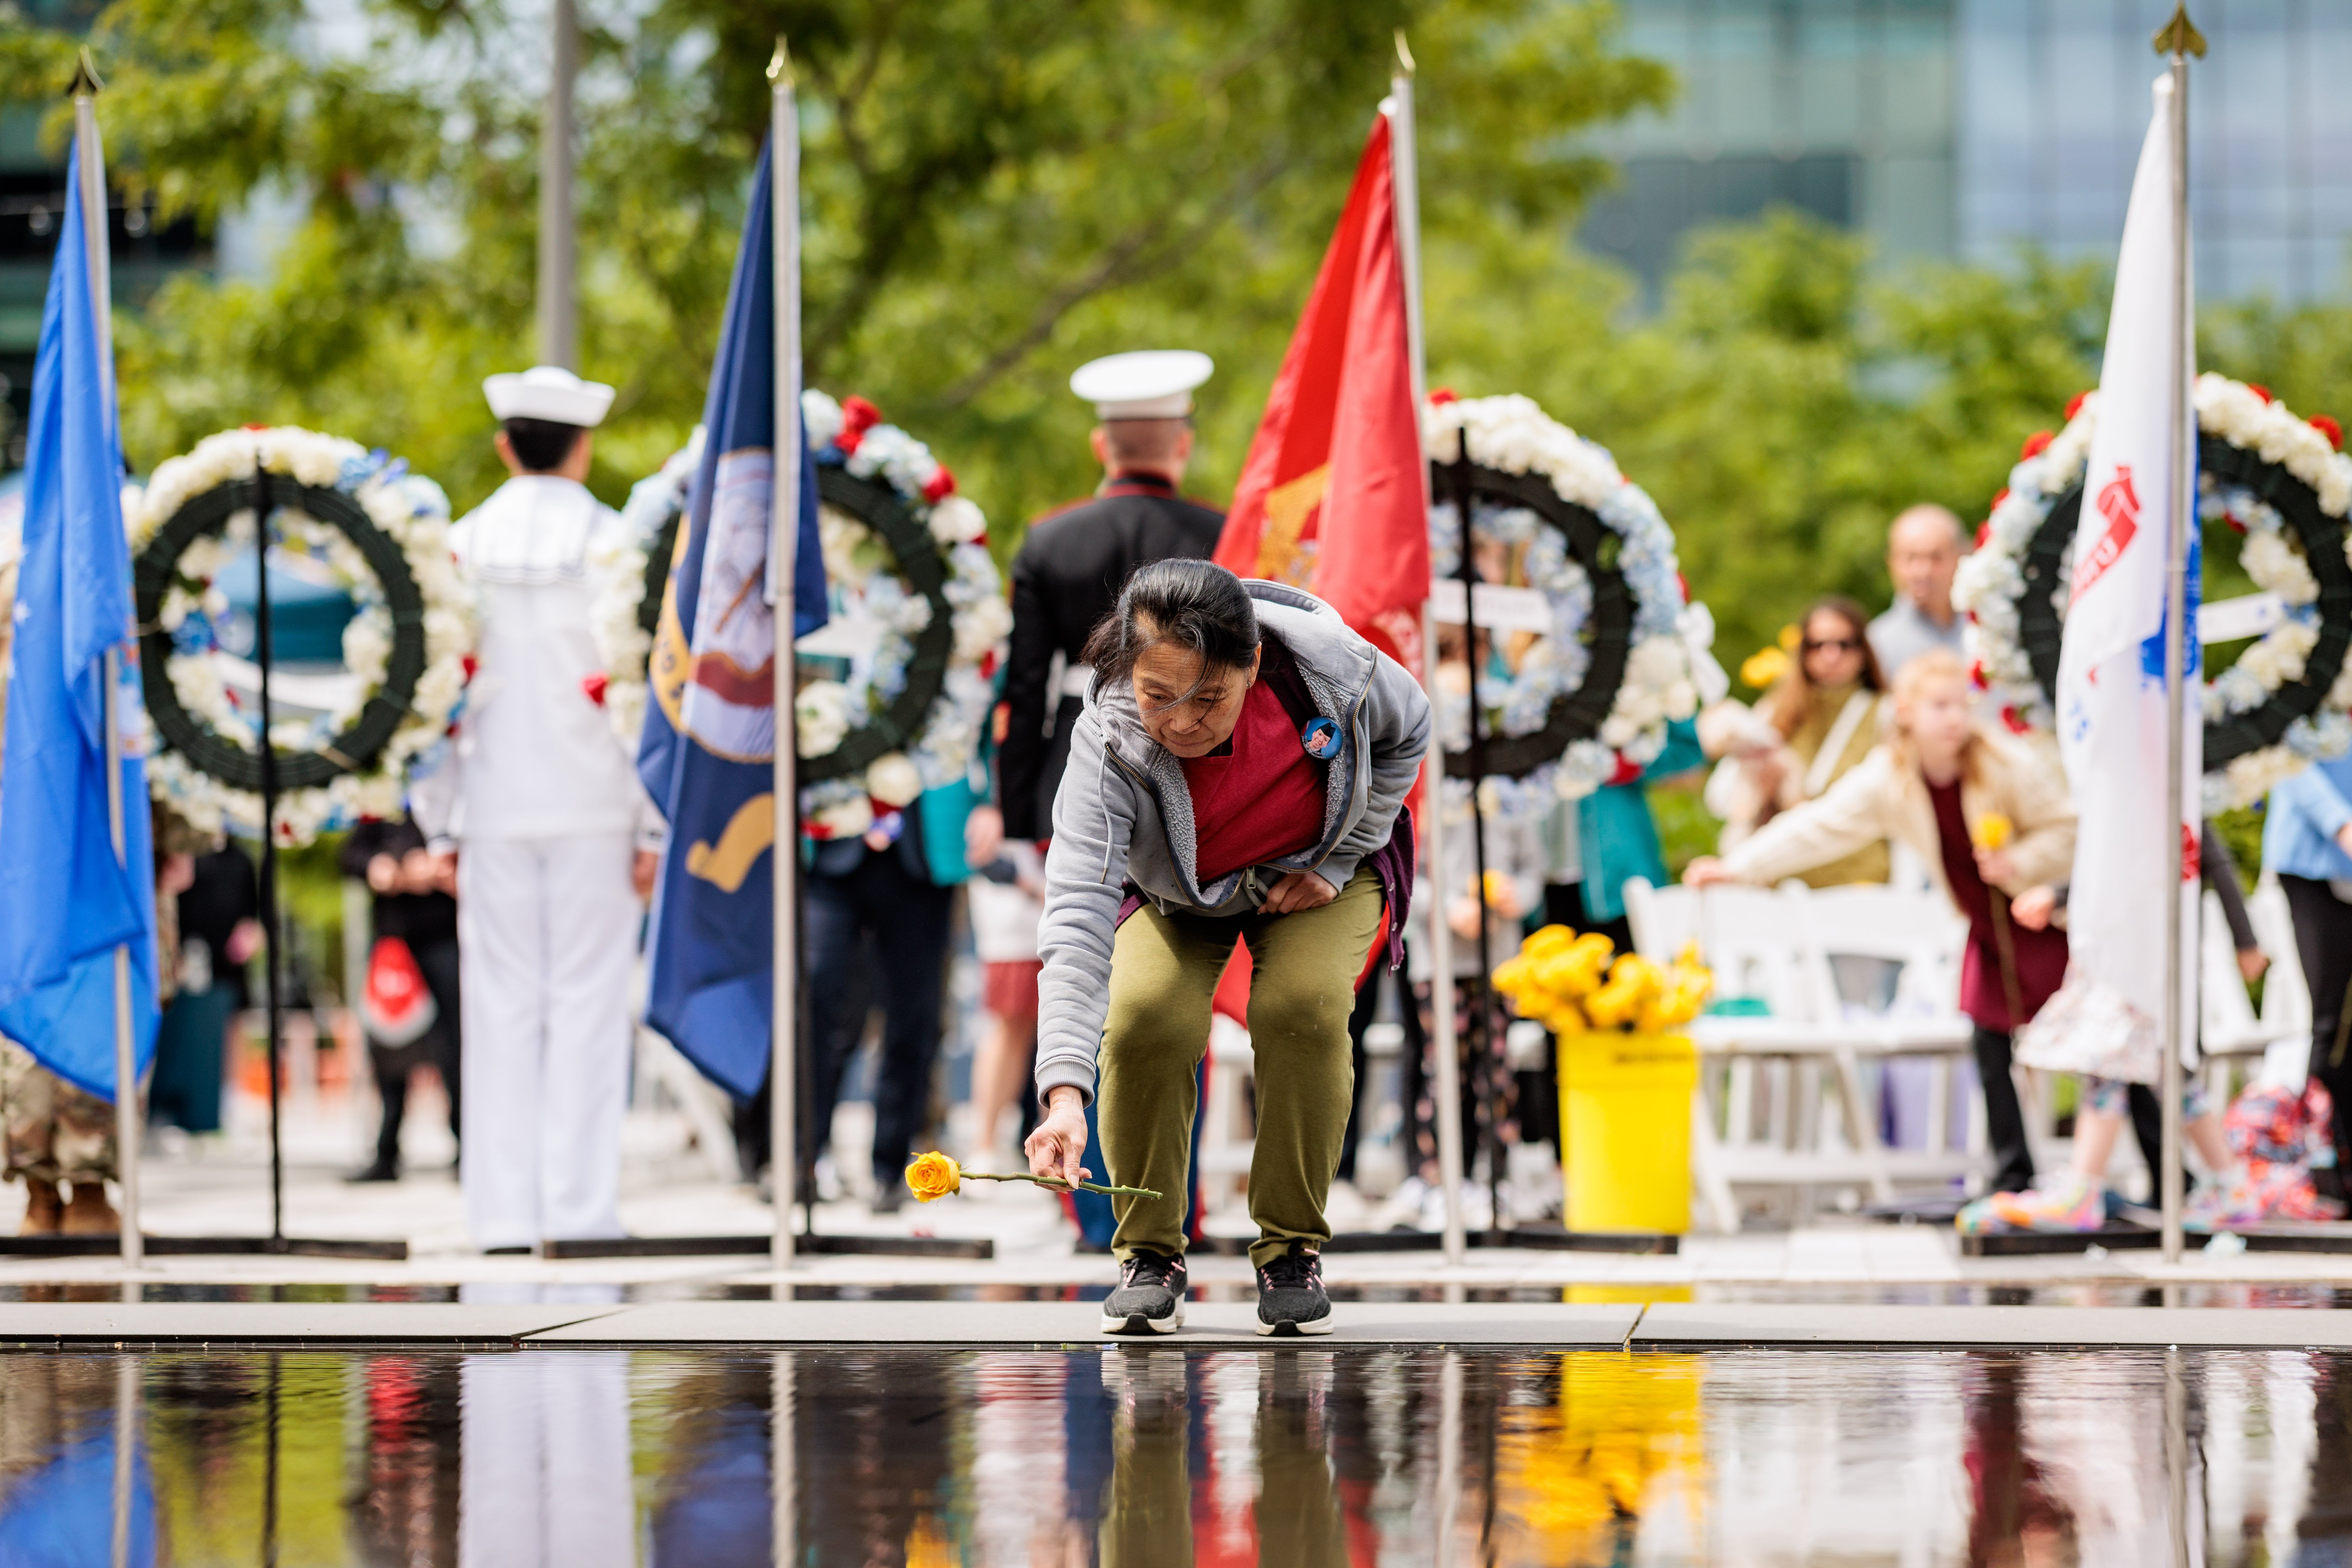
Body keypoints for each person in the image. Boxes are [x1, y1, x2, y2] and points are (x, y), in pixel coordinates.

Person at [1026, 560, 1429, 1335]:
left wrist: (1341, 859)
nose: (1179, 721)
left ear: (1252, 666)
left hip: (1313, 877)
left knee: (1302, 1007)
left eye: (1207, 698)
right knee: (1145, 1016)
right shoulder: (1108, 739)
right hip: (1178, 893)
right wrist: (1065, 1093)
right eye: (1157, 695)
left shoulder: (1336, 672)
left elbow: (1410, 729)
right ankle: (1149, 1253)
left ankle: (1290, 1249)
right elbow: (1077, 909)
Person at [413, 365, 662, 1252]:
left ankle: (503, 1212)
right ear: (583, 445)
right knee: (592, 1007)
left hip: (490, 806)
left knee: (500, 1008)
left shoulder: (458, 544)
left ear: (503, 444)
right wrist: (650, 823)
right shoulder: (616, 545)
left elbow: (432, 693)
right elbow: (642, 696)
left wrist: (439, 819)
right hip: (597, 805)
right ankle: (578, 1209)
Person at [1685, 649, 2073, 1195]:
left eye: (1962, 704)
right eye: (1940, 705)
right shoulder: (1891, 778)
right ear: (1907, 712)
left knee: (2098, 1048)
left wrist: (2020, 863)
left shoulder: (2003, 763)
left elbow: (2068, 829)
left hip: (2049, 921)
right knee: (1988, 1040)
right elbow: (1819, 826)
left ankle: (2159, 1172)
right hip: (1989, 931)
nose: (1956, 717)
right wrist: (1738, 867)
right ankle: (2013, 1174)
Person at [981, 351, 1225, 856]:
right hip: (1196, 765)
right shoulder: (1222, 534)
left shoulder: (1047, 540)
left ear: (1099, 445)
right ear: (1184, 442)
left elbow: (1025, 687)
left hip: (1075, 766)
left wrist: (1019, 808)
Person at [1701, 595, 1890, 886]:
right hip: (1785, 884)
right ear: (1803, 651)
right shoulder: (1776, 710)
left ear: (1863, 651)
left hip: (1859, 882)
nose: (1831, 656)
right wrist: (1763, 792)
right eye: (1818, 645)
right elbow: (1719, 797)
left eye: (1844, 645)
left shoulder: (1886, 714)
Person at [339, 815, 460, 1183]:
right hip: (394, 942)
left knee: (454, 1047)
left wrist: (438, 869)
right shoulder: (385, 797)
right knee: (388, 1047)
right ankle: (387, 1151)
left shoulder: (453, 797)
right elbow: (350, 856)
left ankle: (468, 1148)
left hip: (445, 940)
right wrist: (380, 867)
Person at [2261, 749, 2352, 1187]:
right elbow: (2289, 757)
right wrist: (2341, 823)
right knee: (2330, 1021)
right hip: (2314, 862)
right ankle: (2324, 1168)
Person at [1866, 504, 1967, 677]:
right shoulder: (1875, 646)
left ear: (1960, 557)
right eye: (1911, 558)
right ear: (1891, 563)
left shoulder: (1992, 627)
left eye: (1935, 557)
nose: (1923, 571)